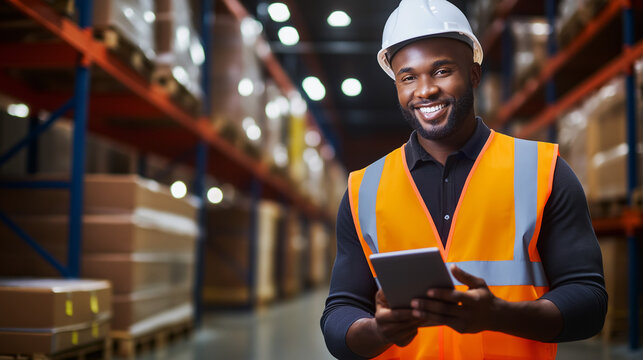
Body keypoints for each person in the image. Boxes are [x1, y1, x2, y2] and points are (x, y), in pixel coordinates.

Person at [320, 0, 607, 359]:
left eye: (441, 71)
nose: (424, 90)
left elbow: (589, 301)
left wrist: (500, 315)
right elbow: (338, 315)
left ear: (473, 73)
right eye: (408, 77)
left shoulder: (542, 171)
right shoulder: (364, 189)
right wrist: (377, 331)